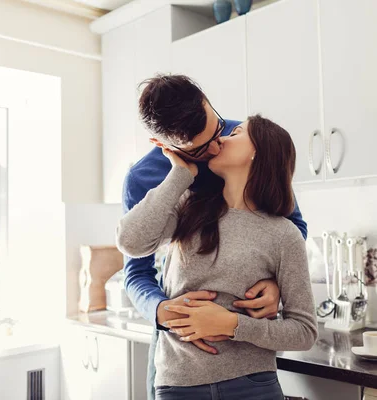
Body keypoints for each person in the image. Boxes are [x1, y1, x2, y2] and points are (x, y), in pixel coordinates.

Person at [122, 74, 308, 398]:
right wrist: (162, 312)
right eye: (201, 148)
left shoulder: (247, 138)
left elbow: (291, 226)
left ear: (207, 101)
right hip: (179, 359)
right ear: (165, 145)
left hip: (248, 370)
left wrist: (276, 282)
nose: (218, 143)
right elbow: (136, 264)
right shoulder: (146, 180)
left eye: (220, 128)